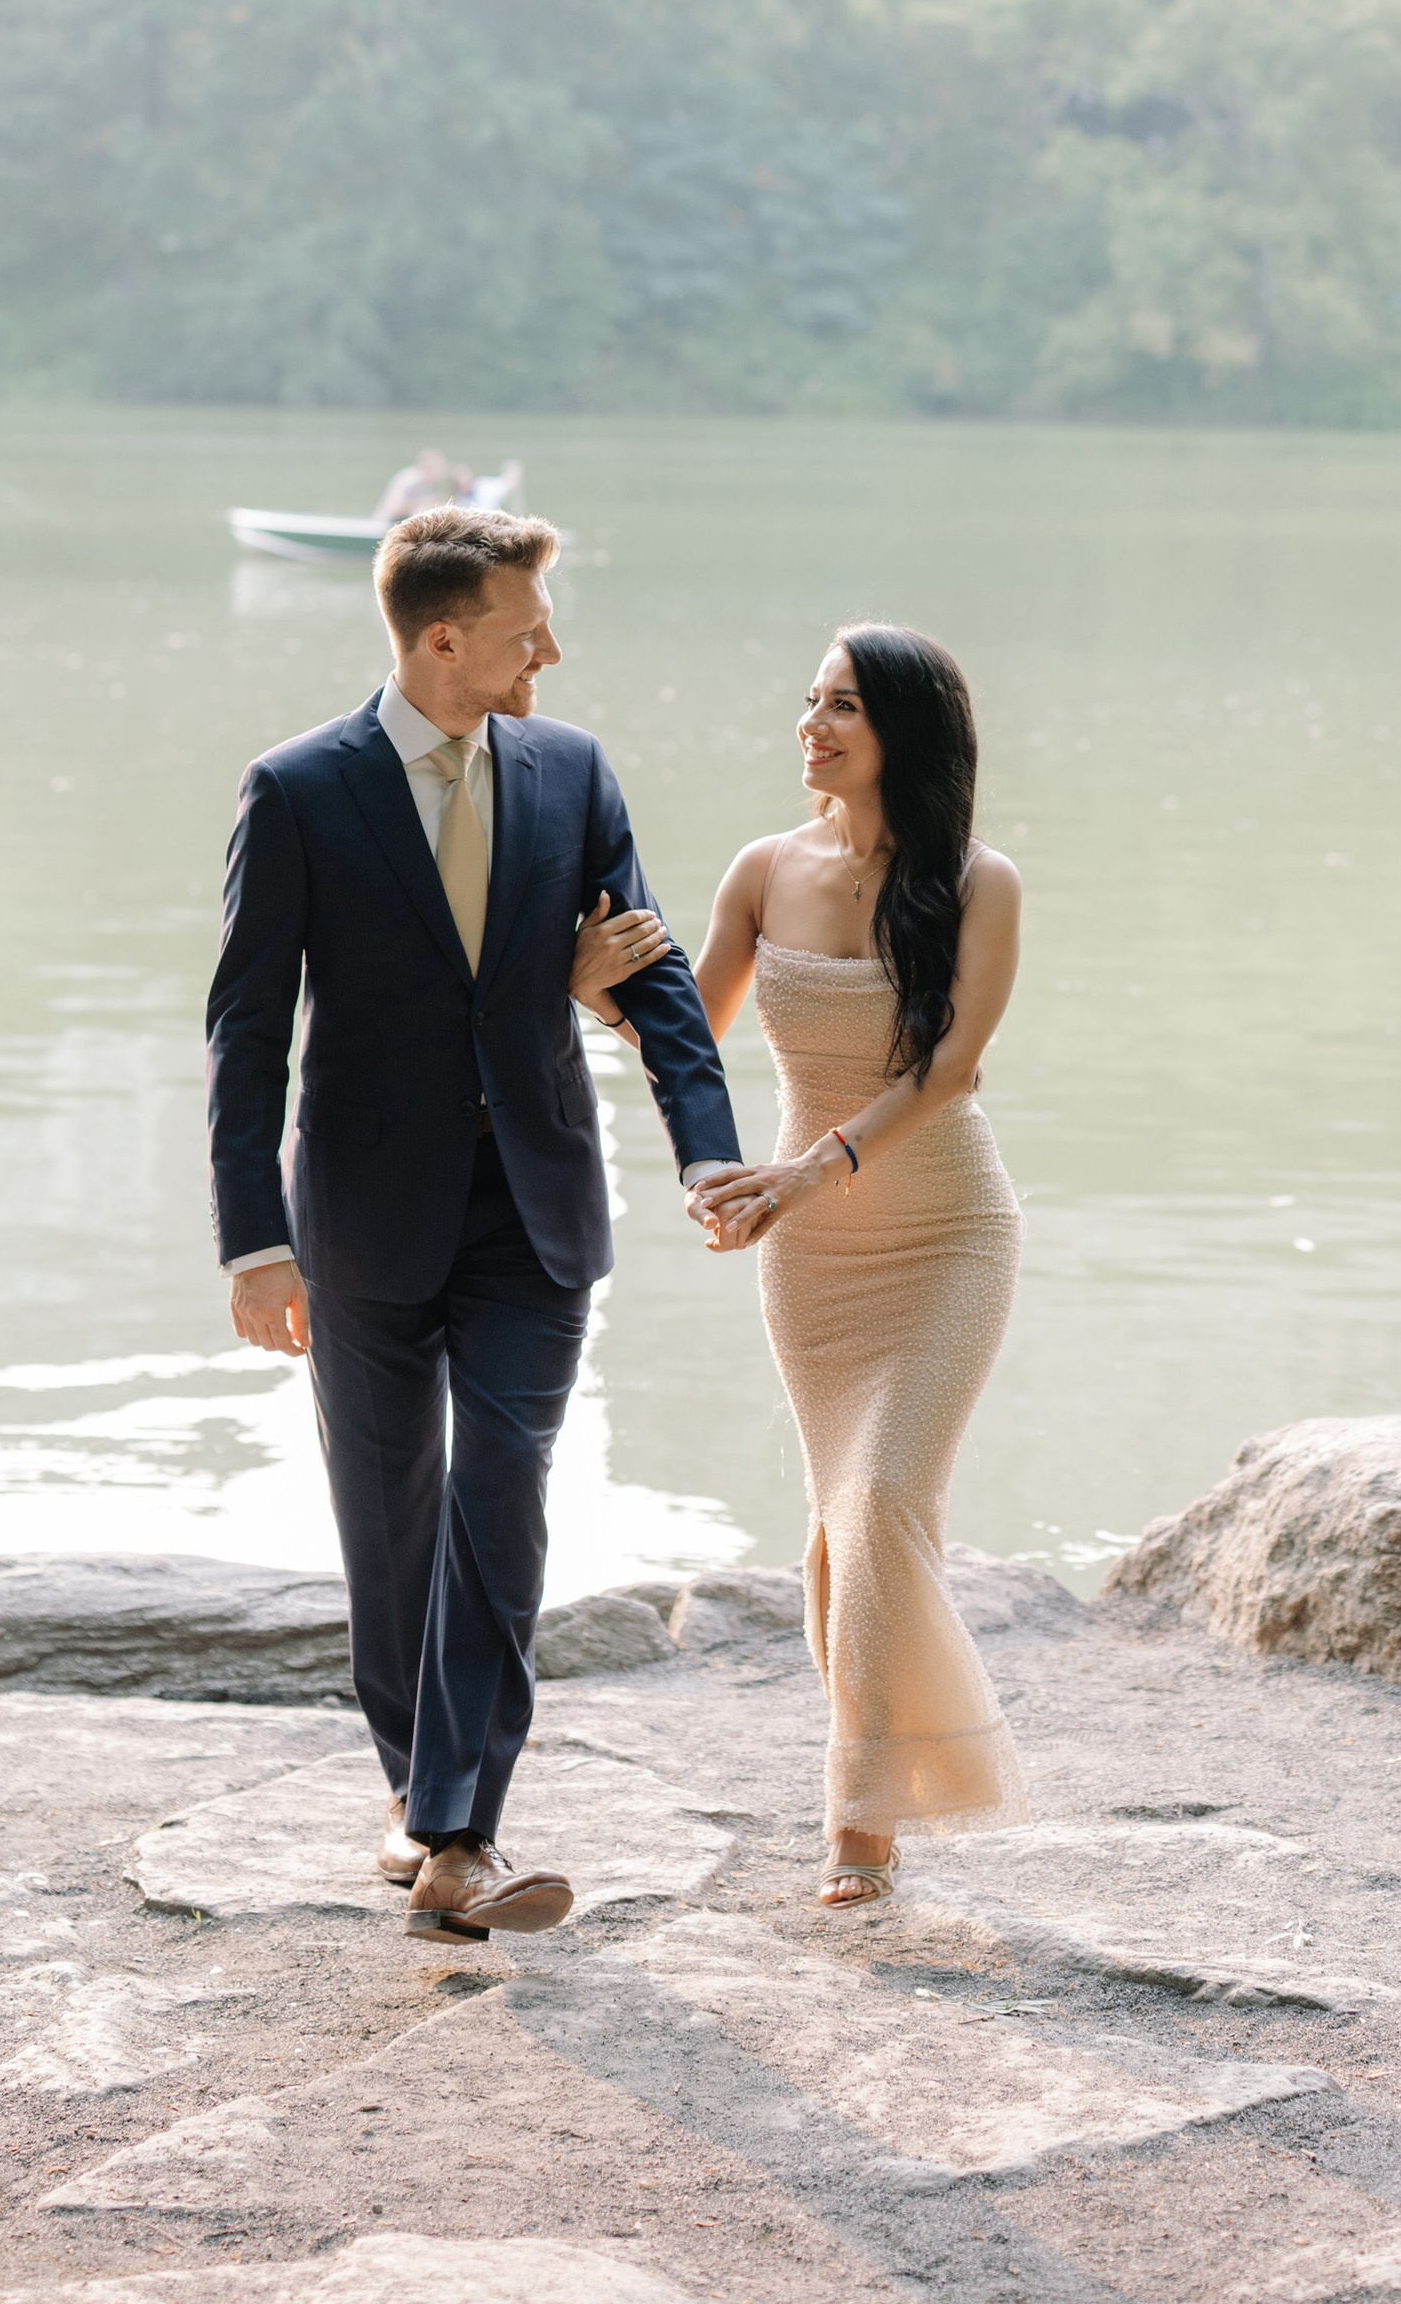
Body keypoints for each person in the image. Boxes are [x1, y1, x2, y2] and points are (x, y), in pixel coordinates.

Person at [205, 505, 738, 1941]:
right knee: (391, 1524)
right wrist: (254, 1241)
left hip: (538, 1212)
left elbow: (655, 972)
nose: (551, 649)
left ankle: (458, 1831)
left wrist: (709, 1153)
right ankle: (421, 1806)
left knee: (502, 1484)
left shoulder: (572, 772)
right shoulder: (301, 789)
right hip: (362, 1220)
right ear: (447, 638)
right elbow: (249, 1032)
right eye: (527, 626)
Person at [589, 623, 1025, 1908]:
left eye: (843, 706)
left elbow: (949, 1074)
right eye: (809, 700)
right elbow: (690, 1026)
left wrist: (804, 1170)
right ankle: (871, 1799)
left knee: (884, 1497)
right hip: (809, 1248)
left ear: (905, 731)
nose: (812, 725)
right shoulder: (762, 869)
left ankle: (861, 1824)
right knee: (846, 1521)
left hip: (943, 1226)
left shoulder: (979, 882)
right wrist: (589, 986)